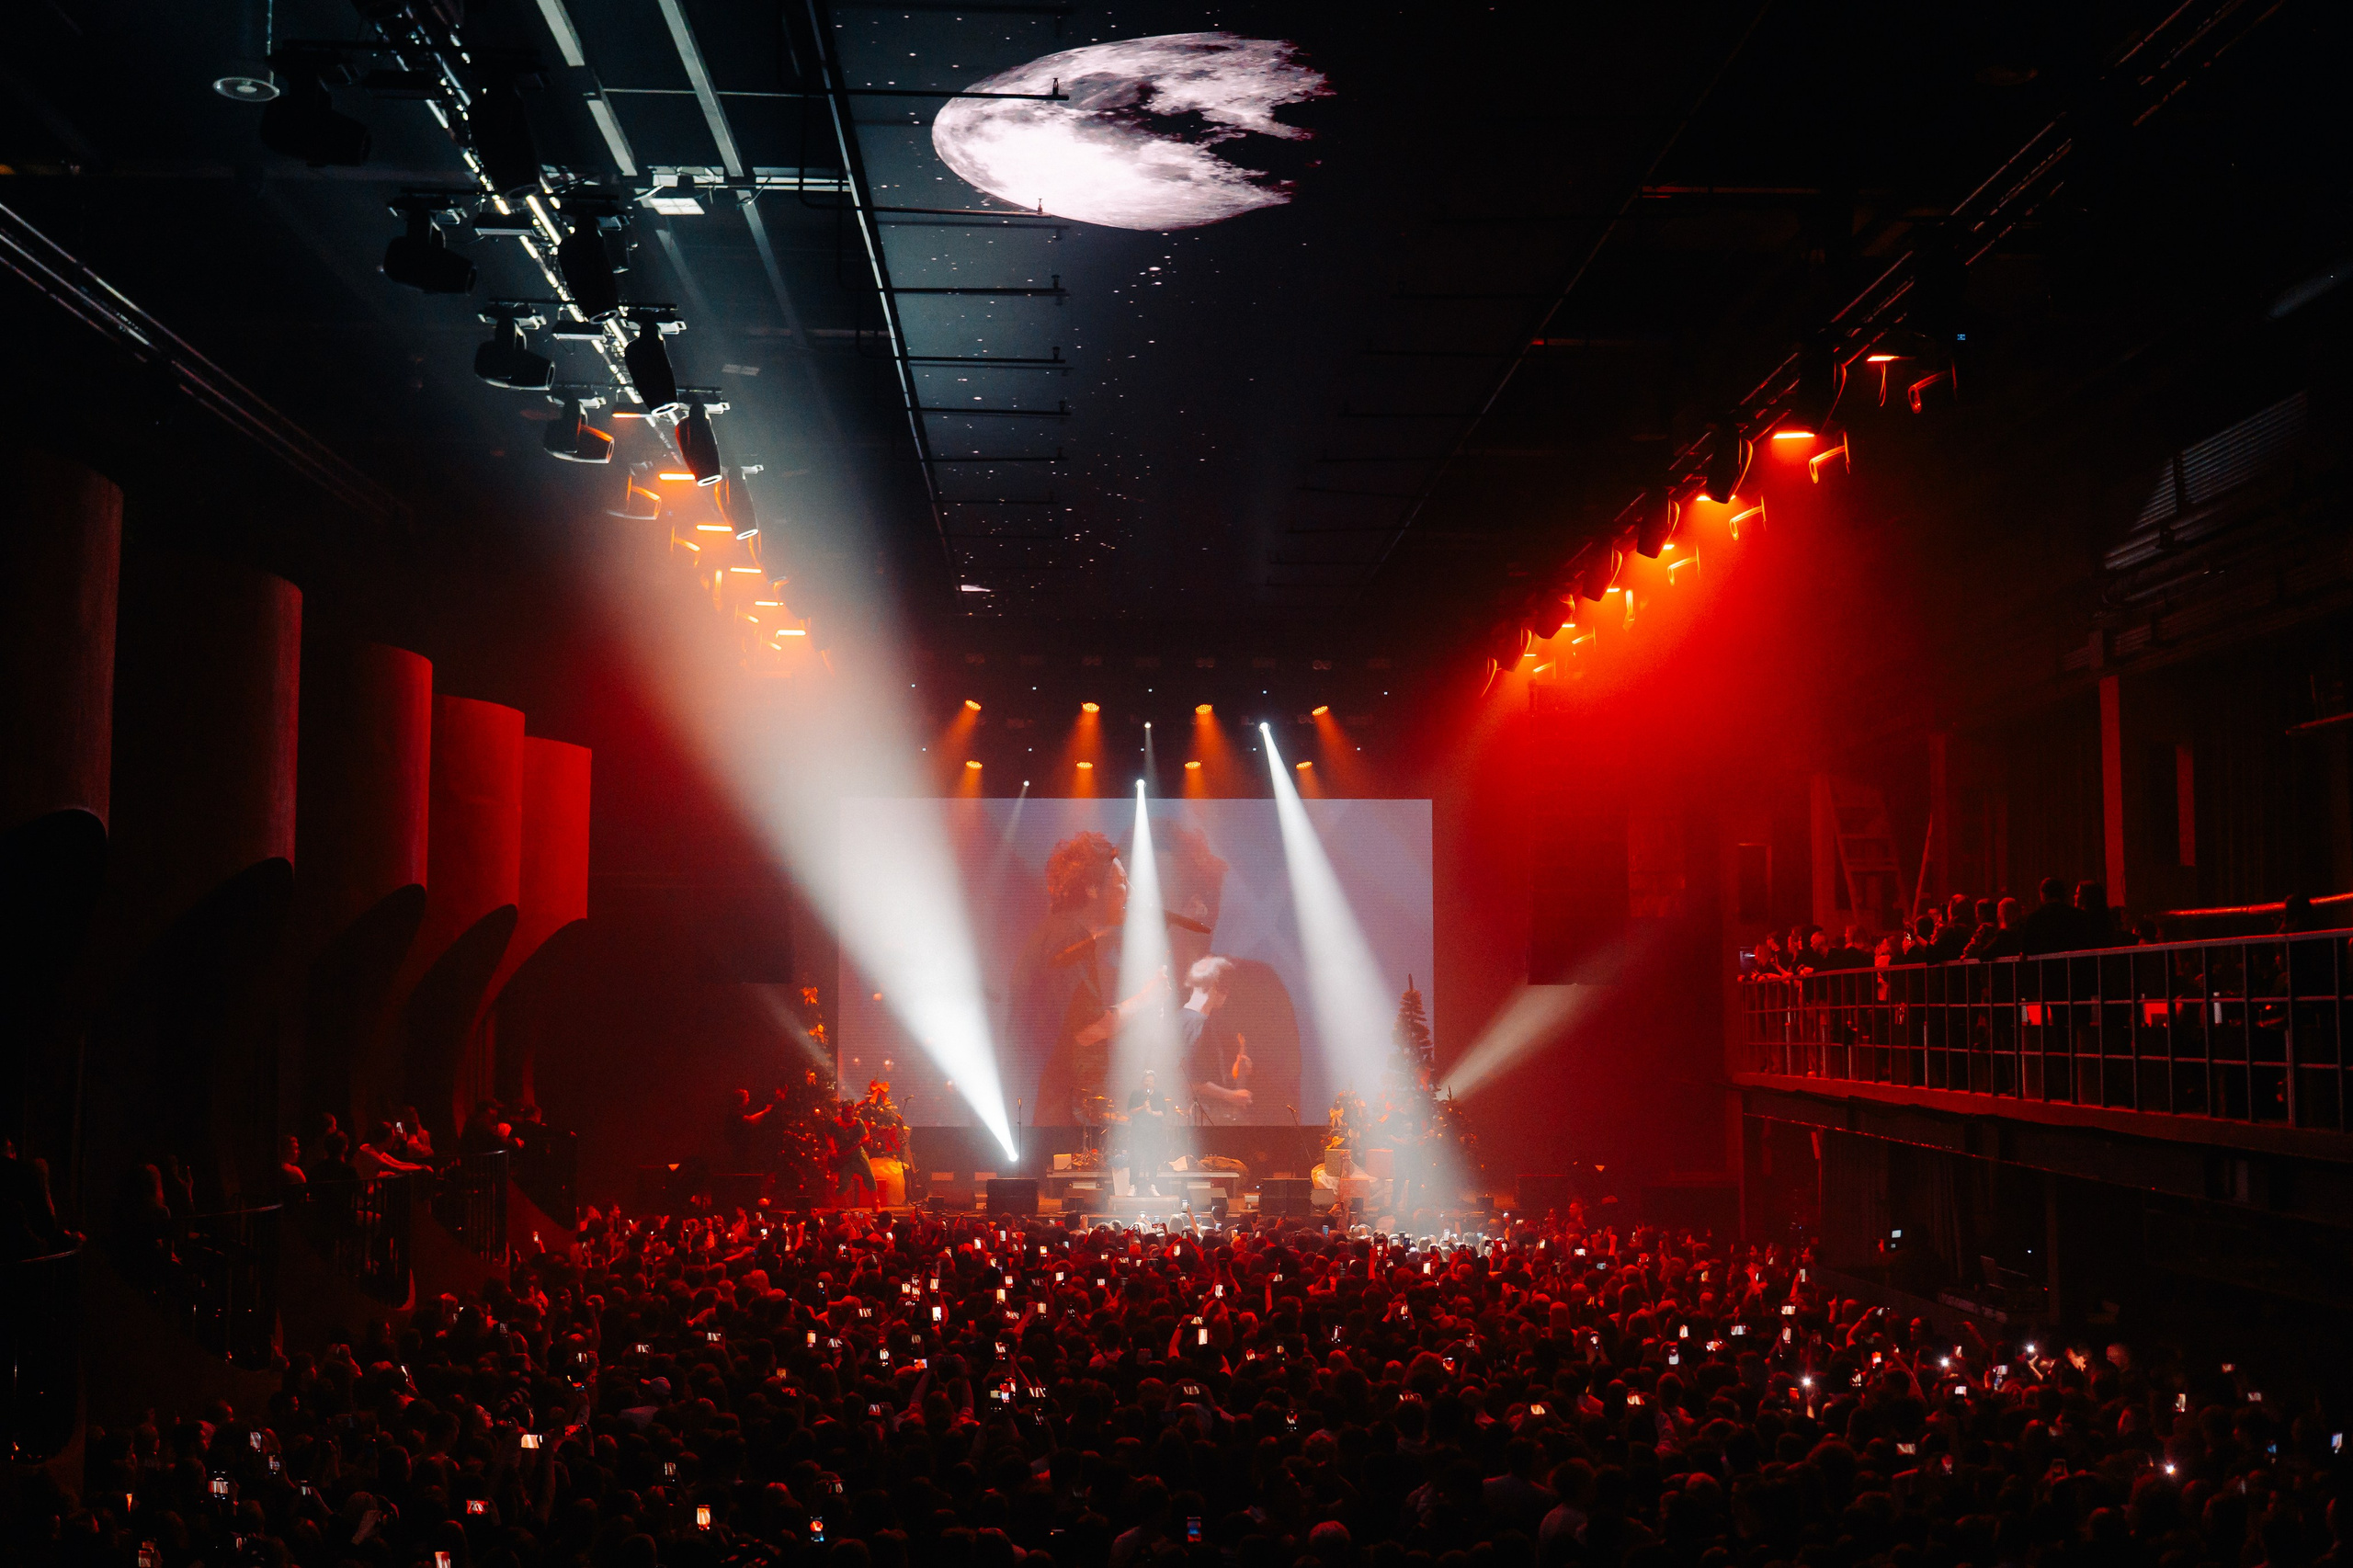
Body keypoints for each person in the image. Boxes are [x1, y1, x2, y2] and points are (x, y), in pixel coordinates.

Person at [1178, 956, 1254, 1121]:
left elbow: (1200, 1074)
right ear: (1214, 986)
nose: (1227, 993)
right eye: (1226, 986)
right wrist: (1231, 1096)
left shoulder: (1183, 1019)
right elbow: (1187, 1081)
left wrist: (1236, 1070)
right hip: (1198, 1119)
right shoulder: (1198, 1024)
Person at [1126, 1068, 1169, 1198]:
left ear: (1154, 1083)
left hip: (1153, 1133)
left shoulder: (1159, 1095)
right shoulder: (1136, 1094)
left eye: (1150, 1081)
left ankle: (1152, 1185)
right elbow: (1130, 1111)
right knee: (1135, 1158)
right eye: (1146, 1081)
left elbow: (1163, 1112)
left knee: (1153, 1159)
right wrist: (1142, 1107)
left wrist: (1152, 1112)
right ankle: (1132, 1186)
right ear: (1142, 1082)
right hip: (1138, 1132)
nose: (1148, 1083)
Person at [2018, 876, 2081, 955]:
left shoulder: (2035, 918)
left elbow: (2026, 947)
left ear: (2043, 894)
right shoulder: (2077, 915)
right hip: (2073, 961)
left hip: (2045, 962)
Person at [830, 1100, 874, 1208]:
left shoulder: (858, 1122)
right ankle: (835, 1205)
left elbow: (865, 1135)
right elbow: (829, 1136)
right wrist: (833, 1149)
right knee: (844, 1183)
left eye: (851, 1111)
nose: (849, 1114)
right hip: (844, 1156)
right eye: (847, 1111)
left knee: (869, 1176)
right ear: (843, 1112)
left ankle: (875, 1204)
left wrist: (866, 1140)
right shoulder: (836, 1123)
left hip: (858, 1154)